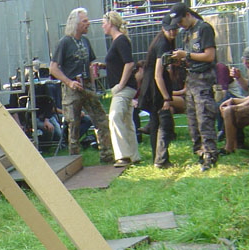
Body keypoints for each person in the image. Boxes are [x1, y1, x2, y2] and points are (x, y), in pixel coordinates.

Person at [50, 8, 114, 163]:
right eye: (85, 21)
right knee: (74, 125)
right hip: (72, 88)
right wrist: (69, 82)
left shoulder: (85, 41)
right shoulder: (64, 42)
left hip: (86, 86)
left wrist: (93, 83)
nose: (88, 23)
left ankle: (107, 155)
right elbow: (53, 67)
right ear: (76, 24)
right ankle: (74, 160)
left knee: (101, 119)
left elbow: (91, 62)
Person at [169, 2, 218, 171]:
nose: (180, 26)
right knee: (192, 119)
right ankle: (199, 152)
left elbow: (209, 56)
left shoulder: (204, 28)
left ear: (188, 15)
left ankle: (210, 155)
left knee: (204, 117)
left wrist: (187, 54)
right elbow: (192, 57)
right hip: (191, 78)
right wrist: (181, 59)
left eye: (181, 22)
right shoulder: (186, 33)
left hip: (203, 78)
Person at [139, 14, 179, 168]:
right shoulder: (163, 44)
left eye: (175, 29)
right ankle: (161, 160)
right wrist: (167, 98)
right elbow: (158, 74)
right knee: (164, 123)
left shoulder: (165, 41)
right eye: (170, 29)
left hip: (151, 87)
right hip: (155, 89)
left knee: (156, 123)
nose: (173, 32)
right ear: (163, 28)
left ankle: (158, 159)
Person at [101, 11, 140, 168]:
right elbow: (119, 63)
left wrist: (120, 85)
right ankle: (133, 155)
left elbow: (129, 63)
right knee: (126, 120)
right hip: (126, 88)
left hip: (124, 88)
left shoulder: (120, 41)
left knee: (115, 117)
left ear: (110, 23)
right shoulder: (118, 41)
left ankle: (123, 156)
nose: (103, 26)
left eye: (104, 23)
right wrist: (104, 66)